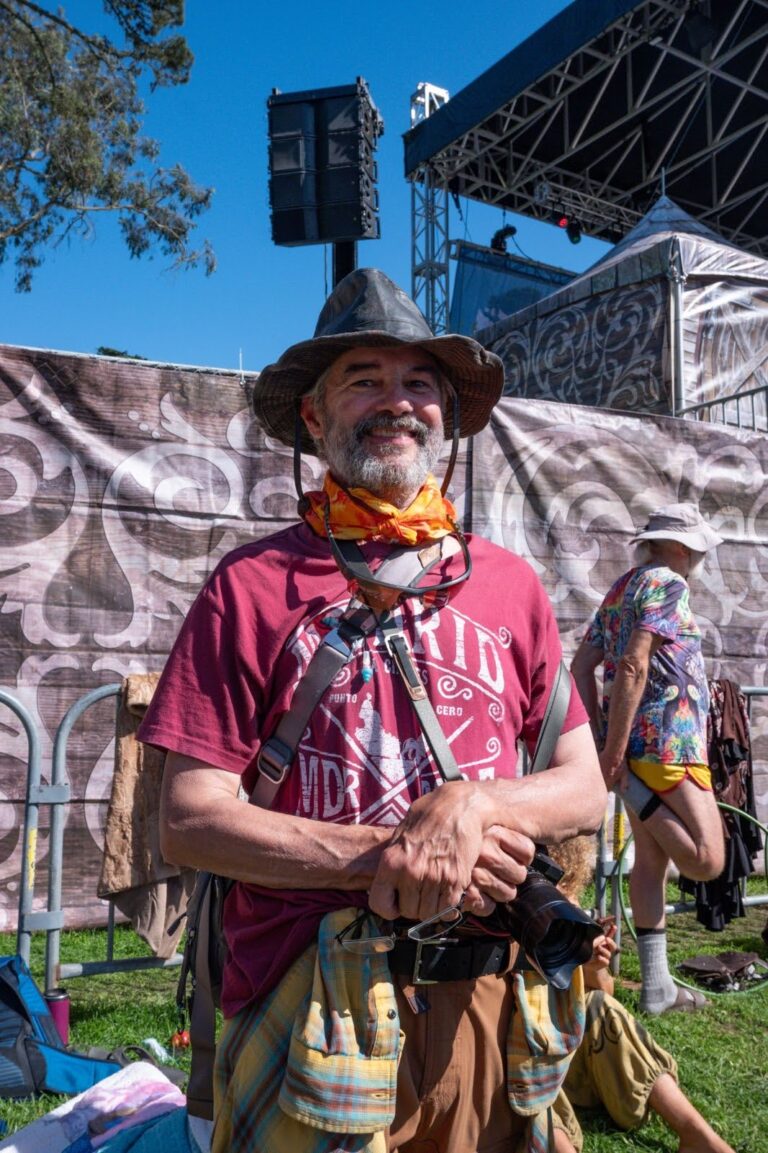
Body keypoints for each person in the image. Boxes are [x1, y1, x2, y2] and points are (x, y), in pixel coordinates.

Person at [139, 268, 606, 1153]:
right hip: (310, 997)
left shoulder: (511, 585)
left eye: (419, 383)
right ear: (314, 418)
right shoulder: (249, 587)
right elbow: (189, 820)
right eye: (364, 380)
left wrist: (473, 806)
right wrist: (387, 855)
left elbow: (583, 785)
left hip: (490, 999)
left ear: (447, 416)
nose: (397, 402)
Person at [571, 503, 725, 1015]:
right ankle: (631, 792)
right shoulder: (668, 582)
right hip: (668, 743)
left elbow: (583, 665)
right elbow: (634, 663)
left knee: (651, 864)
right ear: (681, 547)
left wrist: (603, 741)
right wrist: (611, 758)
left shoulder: (624, 587)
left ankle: (657, 990)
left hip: (640, 746)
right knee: (707, 860)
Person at [547, 837, 735, 1153]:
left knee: (601, 1005)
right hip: (532, 1066)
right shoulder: (508, 913)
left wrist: (593, 968)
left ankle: (696, 1134)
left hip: (575, 1061)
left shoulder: (571, 908)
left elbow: (603, 994)